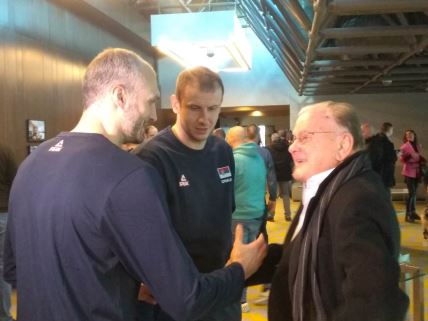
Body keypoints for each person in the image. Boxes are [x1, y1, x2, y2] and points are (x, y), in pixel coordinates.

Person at [3, 48, 267, 321]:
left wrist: (123, 287)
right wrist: (239, 269)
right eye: (151, 100)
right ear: (120, 95)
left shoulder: (31, 166)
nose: (154, 114)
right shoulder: (129, 175)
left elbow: (14, 270)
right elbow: (185, 299)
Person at [249, 101, 408, 321]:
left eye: (305, 137)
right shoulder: (328, 190)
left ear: (343, 145)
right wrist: (249, 264)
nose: (292, 147)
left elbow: (376, 302)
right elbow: (307, 253)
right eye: (294, 138)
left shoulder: (357, 199)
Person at [135, 66, 245, 321]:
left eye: (213, 109)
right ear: (176, 104)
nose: (205, 119)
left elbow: (224, 212)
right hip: (177, 294)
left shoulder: (222, 151)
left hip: (221, 284)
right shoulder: (152, 157)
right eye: (195, 108)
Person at [226, 126, 267, 313]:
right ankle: (244, 298)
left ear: (231, 139)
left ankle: (239, 300)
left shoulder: (234, 160)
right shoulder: (258, 157)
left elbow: (226, 191)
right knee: (250, 256)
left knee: (237, 259)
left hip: (238, 216)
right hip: (256, 213)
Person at [246, 124, 277, 223]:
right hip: (258, 198)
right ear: (258, 135)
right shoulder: (265, 153)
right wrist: (272, 197)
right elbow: (271, 179)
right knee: (261, 231)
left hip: (240, 200)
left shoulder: (235, 152)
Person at [0, 144, 16, 321]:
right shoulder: (4, 150)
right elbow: (16, 180)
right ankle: (3, 316)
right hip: (3, 212)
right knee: (1, 265)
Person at [268, 130, 293, 221]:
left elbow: (268, 161)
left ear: (272, 140)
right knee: (286, 195)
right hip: (285, 174)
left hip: (274, 175)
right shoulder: (287, 147)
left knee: (273, 195)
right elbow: (290, 160)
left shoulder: (269, 149)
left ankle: (271, 214)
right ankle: (288, 215)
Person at [400, 129, 422, 222]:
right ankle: (408, 215)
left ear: (414, 135)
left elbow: (418, 157)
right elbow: (401, 160)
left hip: (417, 172)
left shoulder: (417, 146)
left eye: (410, 134)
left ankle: (413, 212)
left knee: (414, 194)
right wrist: (409, 157)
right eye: (407, 134)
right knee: (411, 193)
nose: (409, 135)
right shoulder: (404, 147)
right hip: (409, 172)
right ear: (405, 137)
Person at [369, 122, 397, 192]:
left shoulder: (374, 139)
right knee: (385, 196)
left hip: (376, 173)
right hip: (384, 173)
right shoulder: (386, 142)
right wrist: (396, 155)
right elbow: (389, 158)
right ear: (390, 130)